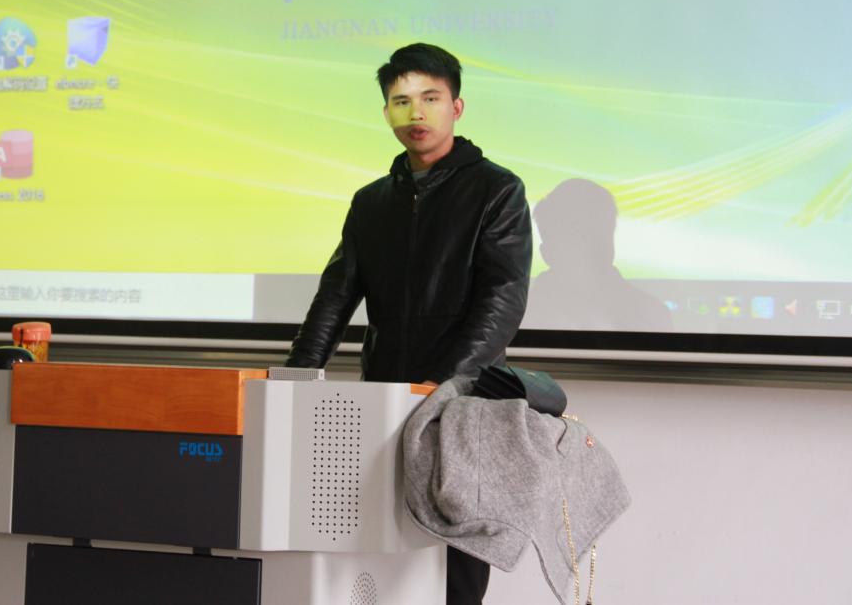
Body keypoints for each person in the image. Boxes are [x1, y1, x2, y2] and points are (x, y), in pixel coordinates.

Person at [285, 43, 532, 605]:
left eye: (430, 98)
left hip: (461, 406)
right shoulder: (371, 201)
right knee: (381, 553)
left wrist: (443, 384)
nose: (416, 113)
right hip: (382, 401)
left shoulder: (496, 190)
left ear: (457, 107)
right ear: (386, 113)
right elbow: (336, 294)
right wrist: (297, 376)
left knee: (456, 561)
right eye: (401, 101)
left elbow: (501, 299)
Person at [527, 178, 672, 331]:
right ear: (548, 253)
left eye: (597, 235)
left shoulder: (652, 315)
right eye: (576, 237)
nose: (588, 248)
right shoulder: (519, 316)